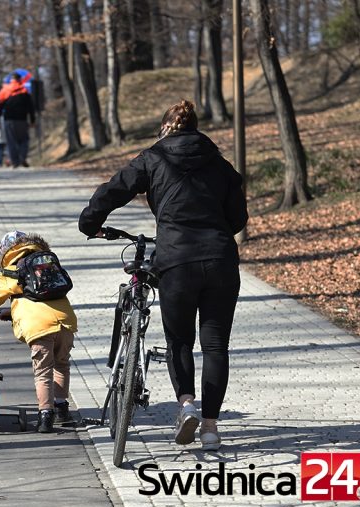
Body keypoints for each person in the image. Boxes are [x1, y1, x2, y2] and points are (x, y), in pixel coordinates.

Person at [78, 100, 248, 451]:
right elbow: (238, 220)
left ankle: (186, 405)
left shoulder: (154, 158)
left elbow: (115, 188)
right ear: (196, 128)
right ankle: (212, 430)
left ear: (165, 128)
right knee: (215, 346)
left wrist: (90, 222)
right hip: (219, 260)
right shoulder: (220, 164)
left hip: (176, 260)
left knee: (179, 341)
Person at [0, 231, 78, 433]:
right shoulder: (46, 263)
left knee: (43, 372)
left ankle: (45, 416)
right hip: (65, 322)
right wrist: (12, 312)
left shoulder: (12, 270)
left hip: (39, 328)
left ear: (6, 251)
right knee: (61, 365)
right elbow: (40, 298)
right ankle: (61, 410)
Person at [0, 73, 35, 168]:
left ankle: (15, 162)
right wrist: (32, 120)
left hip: (8, 120)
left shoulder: (5, 90)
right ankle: (22, 157)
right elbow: (31, 107)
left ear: (11, 79)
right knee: (24, 140)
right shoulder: (24, 90)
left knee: (11, 141)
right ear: (20, 79)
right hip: (22, 119)